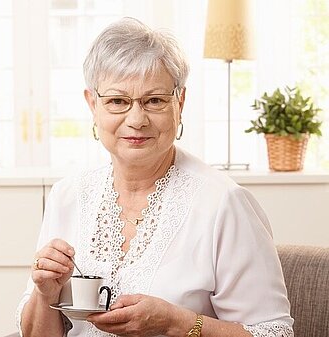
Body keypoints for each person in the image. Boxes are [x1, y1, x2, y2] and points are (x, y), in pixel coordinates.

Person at [16, 17, 293, 337]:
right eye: (118, 101)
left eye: (155, 100)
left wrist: (178, 323)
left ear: (180, 102)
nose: (136, 119)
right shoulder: (67, 196)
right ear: (93, 104)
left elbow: (275, 333)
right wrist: (45, 293)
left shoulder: (223, 204)